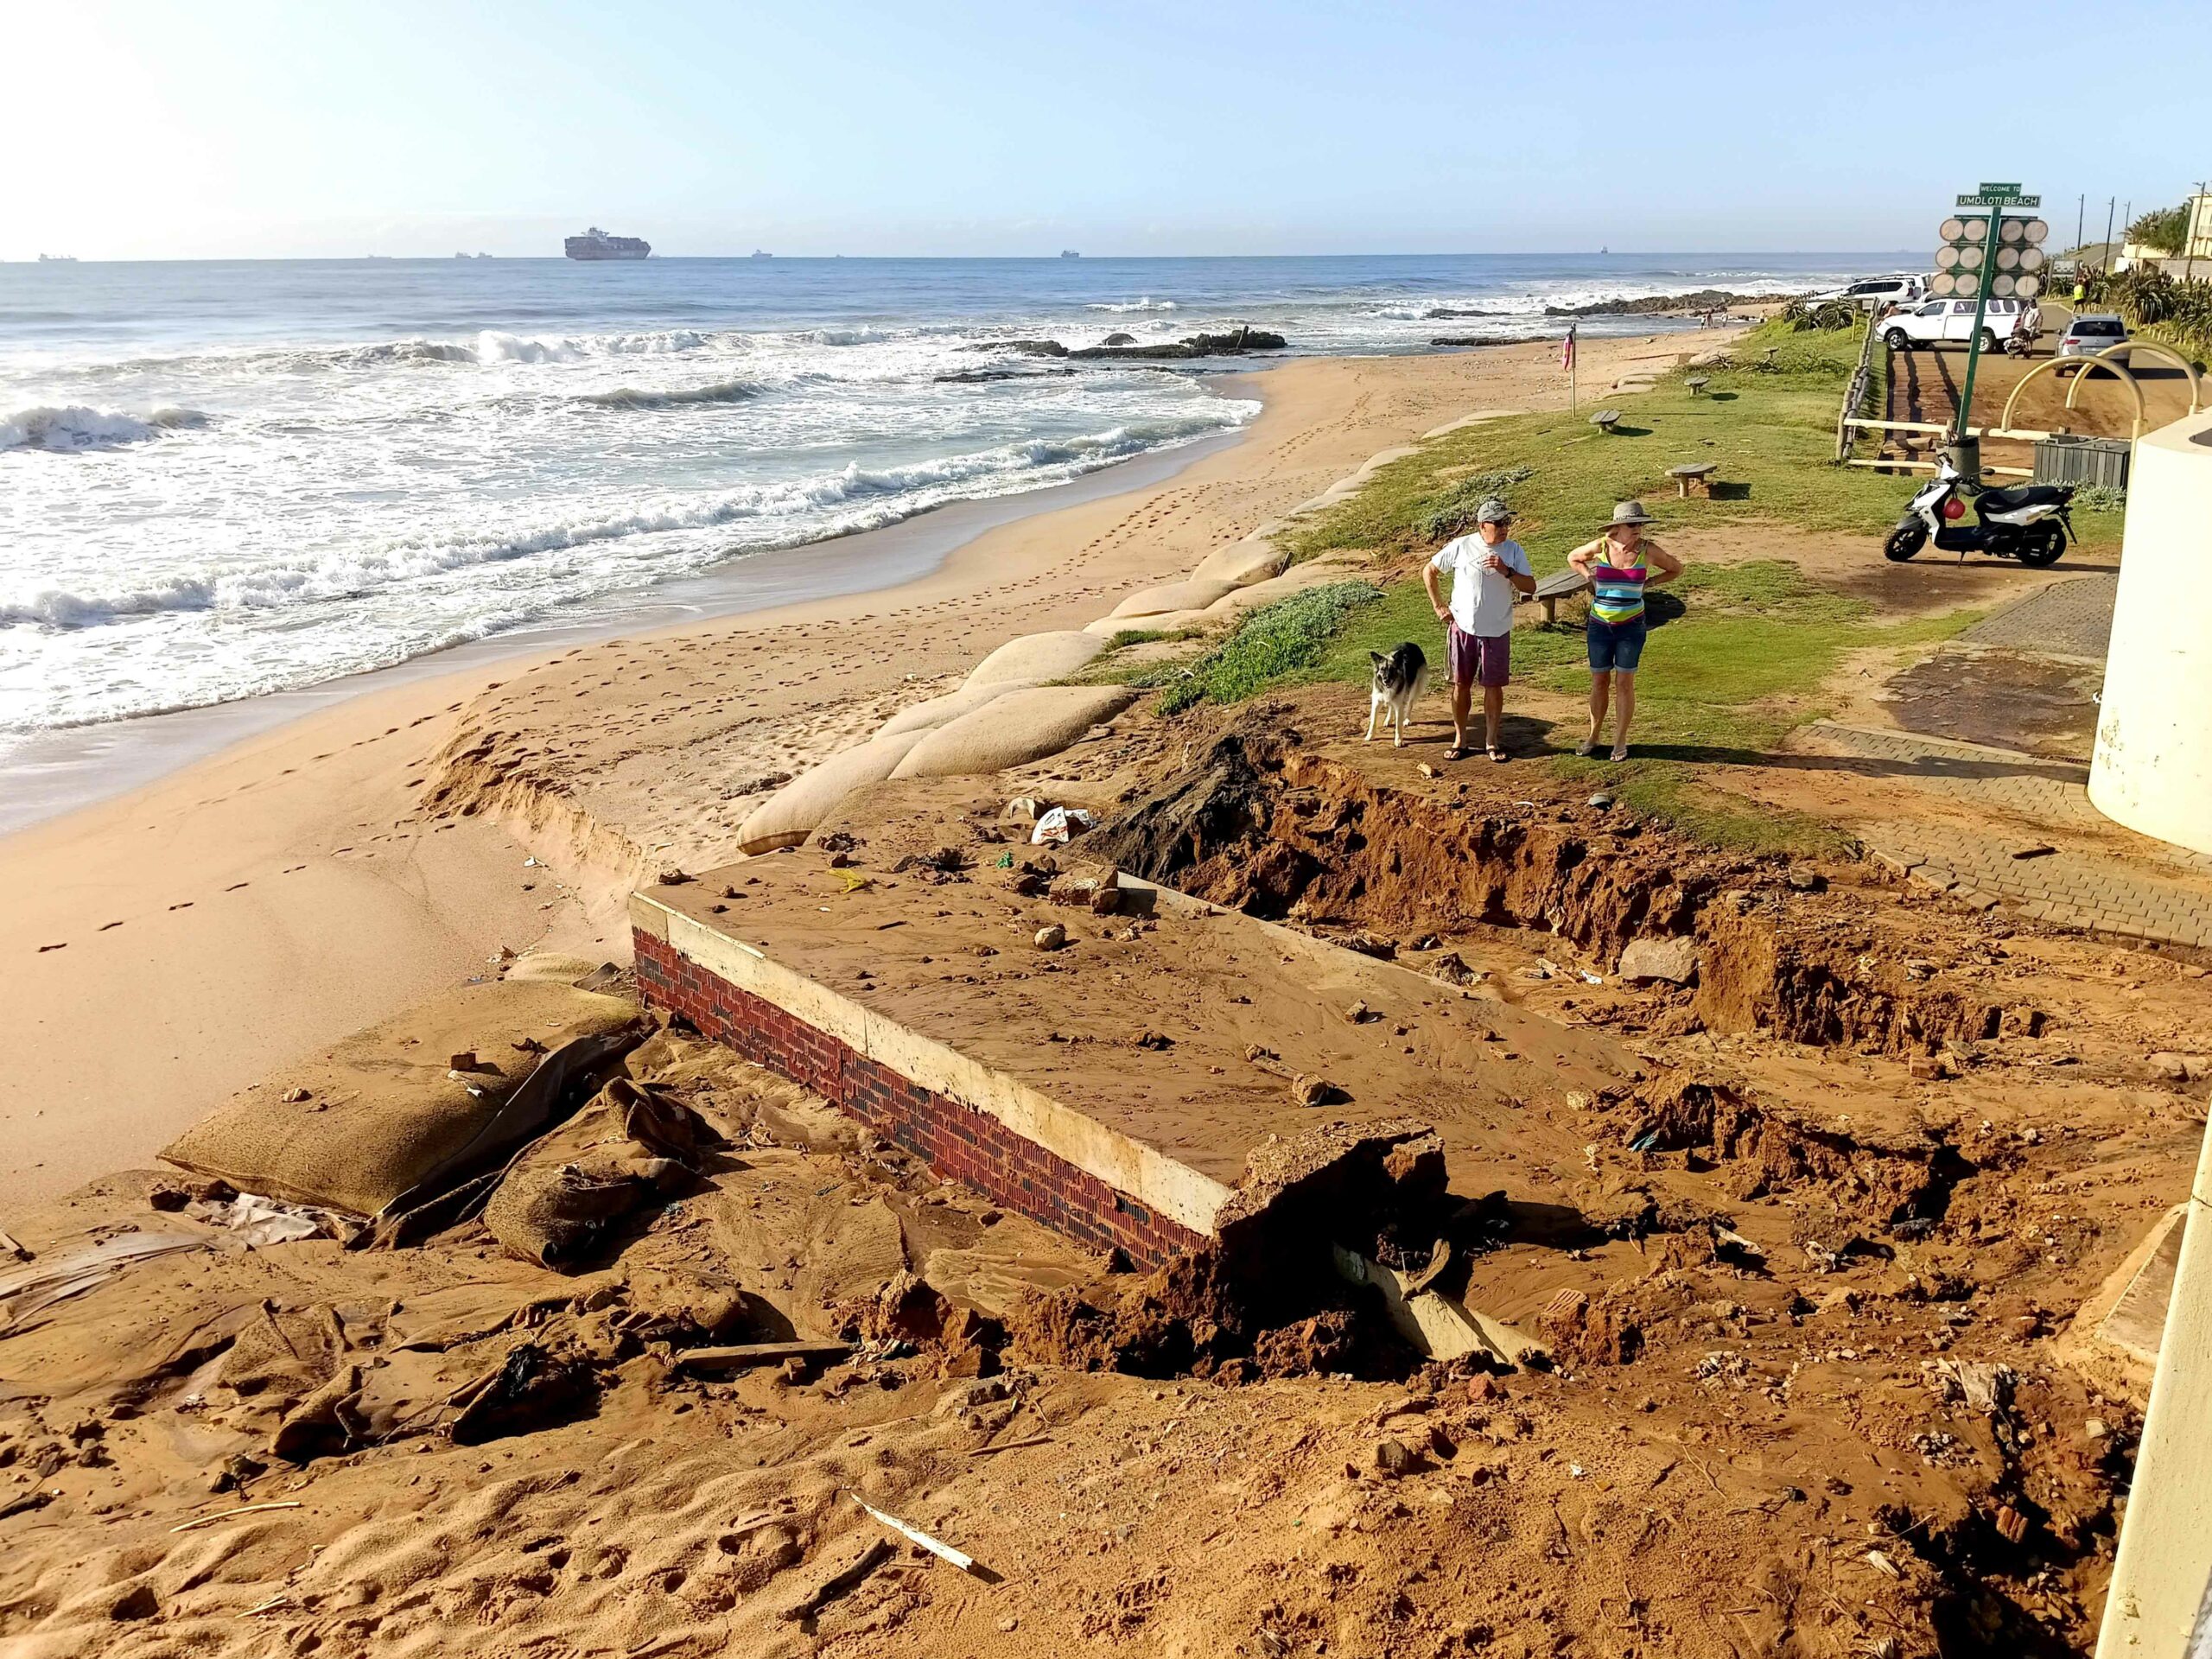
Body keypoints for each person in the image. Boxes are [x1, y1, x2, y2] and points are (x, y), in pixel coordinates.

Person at [1566, 501, 1682, 761]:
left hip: (1631, 626)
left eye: (1641, 524)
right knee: (1599, 680)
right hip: (1599, 625)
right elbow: (1573, 557)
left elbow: (1676, 568)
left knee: (1624, 682)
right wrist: (1589, 577)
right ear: (1618, 526)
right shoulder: (1601, 546)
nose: (1638, 528)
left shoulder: (1648, 550)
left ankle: (1620, 740)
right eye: (1633, 524)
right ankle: (1594, 736)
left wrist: (1650, 582)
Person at [1421, 497, 1535, 761]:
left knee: (1493, 686)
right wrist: (1439, 606)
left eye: (1507, 521)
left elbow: (1530, 587)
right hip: (1463, 628)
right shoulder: (1462, 545)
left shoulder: (1514, 550)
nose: (1505, 527)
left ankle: (1491, 742)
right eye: (1498, 523)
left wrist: (1506, 571)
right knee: (1461, 684)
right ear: (1483, 525)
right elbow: (1429, 571)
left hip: (1497, 630)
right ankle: (1460, 739)